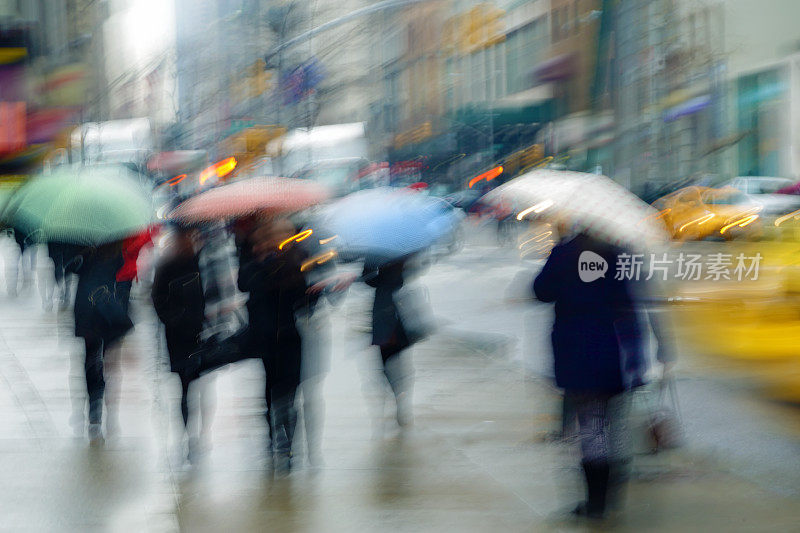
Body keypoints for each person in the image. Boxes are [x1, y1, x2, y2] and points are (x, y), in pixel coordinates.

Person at [533, 230, 646, 519]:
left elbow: (540, 292)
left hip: (577, 354)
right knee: (612, 427)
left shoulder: (564, 253)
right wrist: (636, 361)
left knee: (592, 429)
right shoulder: (620, 253)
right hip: (613, 353)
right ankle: (608, 498)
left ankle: (595, 504)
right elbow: (629, 307)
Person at [237, 217, 313, 472]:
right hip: (267, 338)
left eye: (287, 234)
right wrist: (261, 260)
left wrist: (317, 290)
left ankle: (289, 446)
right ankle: (273, 442)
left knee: (290, 395)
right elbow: (245, 285)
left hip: (290, 337)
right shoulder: (254, 262)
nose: (284, 239)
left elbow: (304, 301)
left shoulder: (298, 261)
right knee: (271, 393)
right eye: (281, 234)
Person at [151, 226, 207, 462]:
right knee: (184, 385)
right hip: (176, 335)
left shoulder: (201, 263)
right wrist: (172, 319)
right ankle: (186, 432)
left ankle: (194, 432)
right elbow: (157, 299)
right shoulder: (167, 265)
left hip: (198, 333)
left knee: (195, 384)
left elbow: (212, 294)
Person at [73, 242, 130, 443]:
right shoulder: (117, 252)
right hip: (107, 311)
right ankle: (101, 403)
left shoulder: (86, 251)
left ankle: (95, 405)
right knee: (106, 361)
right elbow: (122, 280)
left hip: (89, 312)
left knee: (91, 360)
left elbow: (71, 268)